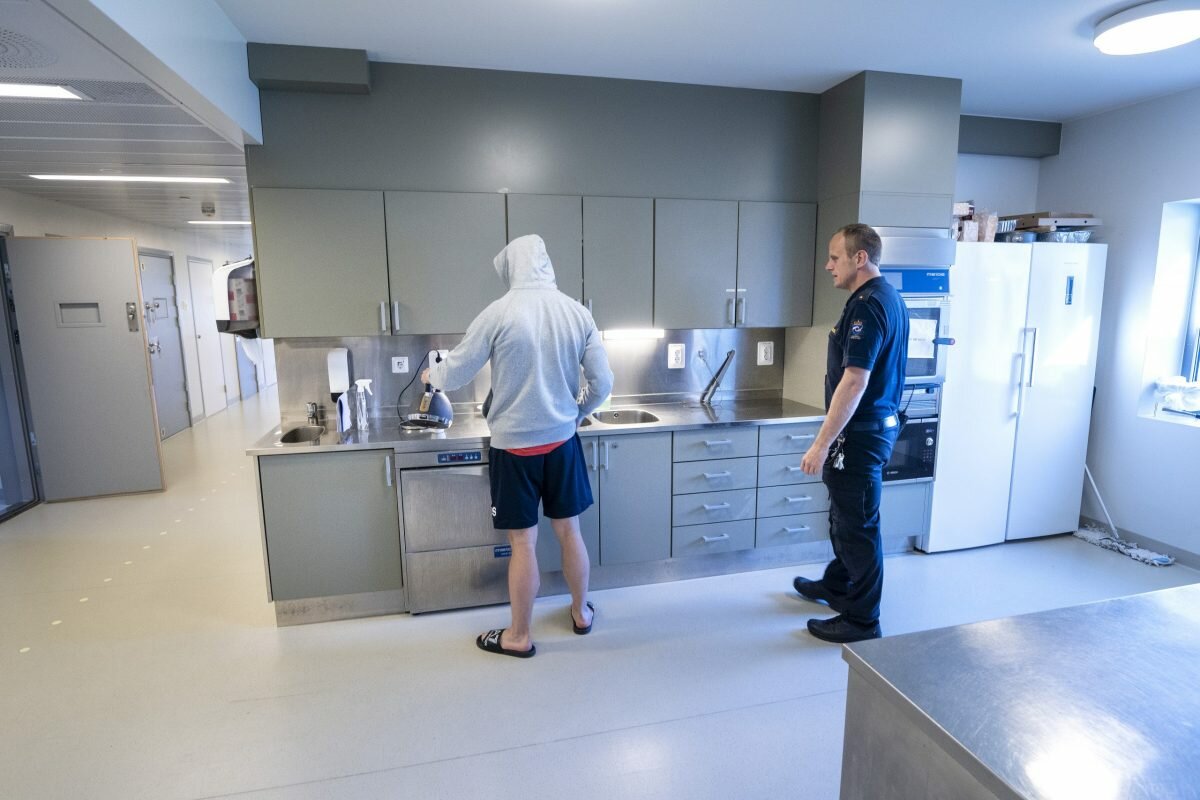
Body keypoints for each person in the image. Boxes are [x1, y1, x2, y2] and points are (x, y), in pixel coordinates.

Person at [422, 234, 613, 658]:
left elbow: (454, 371)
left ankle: (519, 636)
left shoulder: (499, 313)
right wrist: (577, 412)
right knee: (570, 533)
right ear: (546, 262)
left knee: (523, 543)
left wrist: (431, 379)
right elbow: (604, 384)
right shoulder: (576, 312)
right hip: (562, 443)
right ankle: (581, 612)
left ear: (511, 268)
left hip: (514, 450)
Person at [794, 223, 908, 644]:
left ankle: (861, 621)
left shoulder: (868, 306)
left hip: (860, 435)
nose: (828, 266)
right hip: (868, 430)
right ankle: (837, 584)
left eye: (834, 258)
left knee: (858, 525)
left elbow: (855, 380)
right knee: (845, 517)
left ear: (860, 258)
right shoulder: (886, 297)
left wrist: (820, 444)